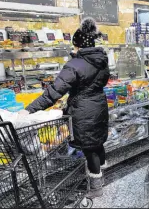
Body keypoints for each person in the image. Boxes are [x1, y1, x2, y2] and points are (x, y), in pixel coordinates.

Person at [18, 17, 110, 198]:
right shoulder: (102, 60)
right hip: (99, 105)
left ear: (77, 45)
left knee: (89, 147)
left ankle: (96, 188)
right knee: (97, 143)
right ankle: (100, 177)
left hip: (83, 110)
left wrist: (29, 109)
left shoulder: (74, 65)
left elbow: (53, 92)